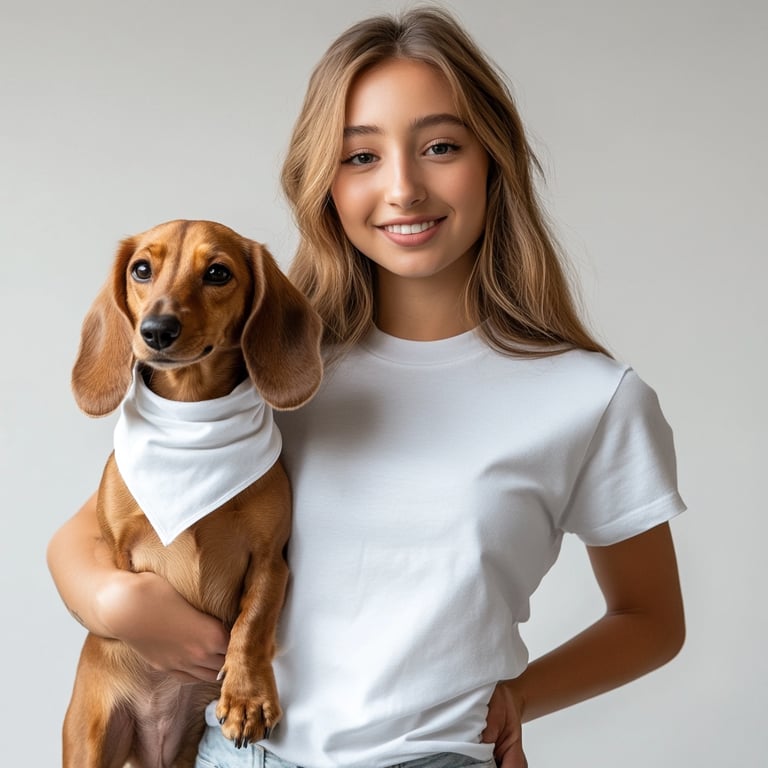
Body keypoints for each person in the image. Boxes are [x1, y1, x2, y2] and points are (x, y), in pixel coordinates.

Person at [48, 6, 686, 768]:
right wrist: (112, 603)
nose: (404, 188)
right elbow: (89, 534)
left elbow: (652, 618)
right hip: (225, 750)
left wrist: (517, 699)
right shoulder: (276, 368)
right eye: (361, 157)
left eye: (441, 147)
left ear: (495, 160)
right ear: (324, 181)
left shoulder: (590, 398)